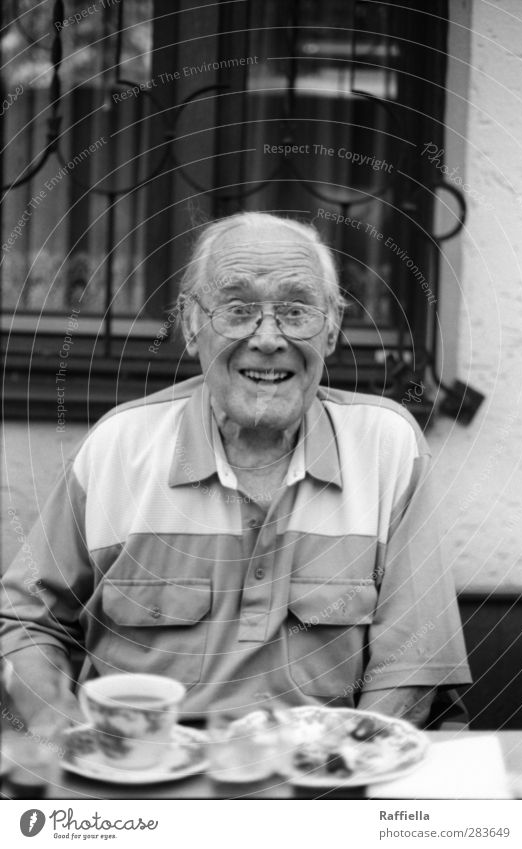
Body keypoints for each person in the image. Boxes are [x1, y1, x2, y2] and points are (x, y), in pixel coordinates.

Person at [1, 212, 471, 740]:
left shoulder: (387, 446)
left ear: (333, 327)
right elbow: (24, 619)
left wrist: (348, 775)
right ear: (191, 324)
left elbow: (411, 664)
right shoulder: (121, 445)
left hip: (318, 788)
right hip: (148, 785)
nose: (267, 338)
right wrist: (64, 736)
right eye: (238, 308)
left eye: (296, 310)